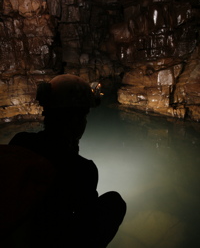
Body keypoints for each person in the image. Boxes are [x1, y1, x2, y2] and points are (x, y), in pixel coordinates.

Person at [9, 74, 126, 248]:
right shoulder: (82, 170)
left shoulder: (20, 141)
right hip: (49, 239)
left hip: (13, 233)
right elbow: (86, 220)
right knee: (115, 202)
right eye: (83, 117)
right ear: (77, 122)